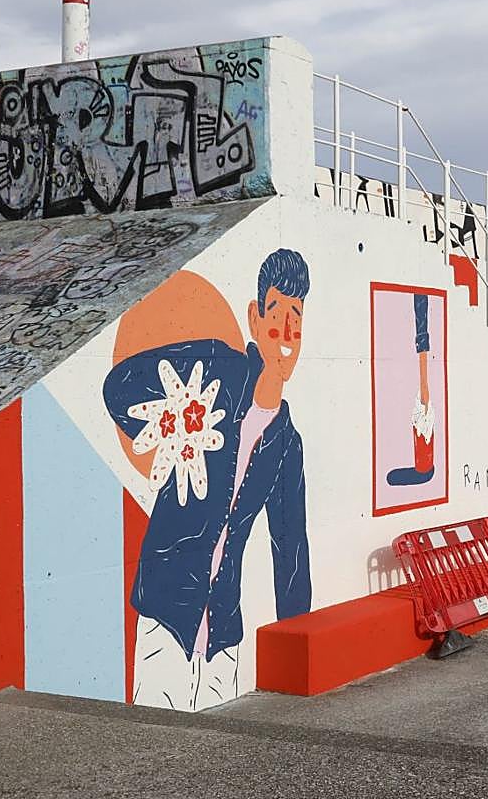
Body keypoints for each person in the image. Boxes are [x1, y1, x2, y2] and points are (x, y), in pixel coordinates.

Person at [103, 248, 312, 710]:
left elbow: (290, 548)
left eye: (297, 317)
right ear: (255, 319)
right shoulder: (216, 369)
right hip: (165, 608)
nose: (286, 332)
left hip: (223, 632)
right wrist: (169, 426)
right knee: (152, 745)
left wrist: (301, 648)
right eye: (276, 313)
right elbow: (119, 387)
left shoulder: (286, 444)